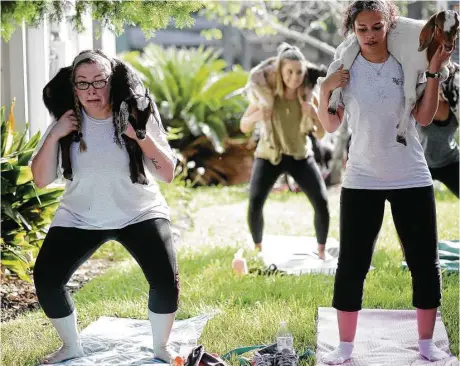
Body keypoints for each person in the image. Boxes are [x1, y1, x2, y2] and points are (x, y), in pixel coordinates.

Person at [317, 1, 452, 363]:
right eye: (362, 29)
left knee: (424, 262)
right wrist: (324, 89)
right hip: (361, 179)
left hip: (410, 176)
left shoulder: (407, 64)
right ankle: (344, 350)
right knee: (352, 264)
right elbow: (330, 125)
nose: (370, 35)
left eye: (377, 27)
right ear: (352, 30)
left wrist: (435, 70)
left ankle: (426, 347)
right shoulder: (345, 69)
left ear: (390, 26)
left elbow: (423, 118)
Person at [30, 50, 179, 364]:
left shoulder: (138, 114)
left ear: (114, 83)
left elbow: (167, 173)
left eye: (100, 81)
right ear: (74, 88)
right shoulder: (67, 121)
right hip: (80, 215)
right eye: (83, 84)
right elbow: (41, 180)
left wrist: (139, 136)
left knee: (166, 279)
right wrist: (56, 134)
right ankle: (71, 346)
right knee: (46, 277)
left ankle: (161, 347)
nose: (91, 91)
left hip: (139, 211)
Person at [240, 43, 330, 259]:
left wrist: (315, 114)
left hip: (300, 155)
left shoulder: (308, 96)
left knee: (322, 202)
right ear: (280, 71)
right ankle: (258, 249)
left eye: (299, 72)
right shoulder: (266, 95)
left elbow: (320, 135)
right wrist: (257, 116)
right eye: (289, 71)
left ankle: (321, 251)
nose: (294, 77)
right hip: (269, 156)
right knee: (255, 202)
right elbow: (244, 125)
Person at [416, 62, 459, 198]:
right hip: (420, 165)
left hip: (450, 161)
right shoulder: (420, 104)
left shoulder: (455, 106)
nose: (439, 88)